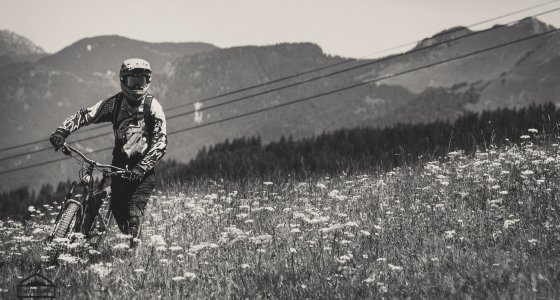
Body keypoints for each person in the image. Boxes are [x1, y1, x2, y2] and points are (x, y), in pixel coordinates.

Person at [49, 58, 167, 247]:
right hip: (118, 166)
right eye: (132, 80)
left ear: (148, 81)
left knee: (133, 214)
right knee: (119, 211)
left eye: (142, 80)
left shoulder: (153, 107)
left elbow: (160, 142)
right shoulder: (114, 104)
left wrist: (140, 168)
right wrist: (62, 131)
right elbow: (85, 115)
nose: (137, 85)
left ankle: (133, 259)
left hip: (143, 173)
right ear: (123, 80)